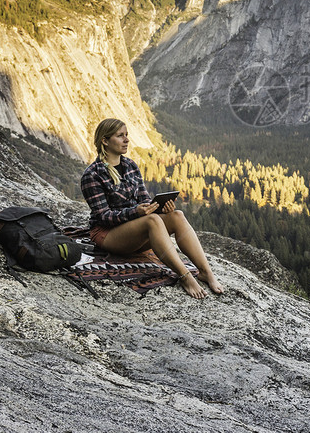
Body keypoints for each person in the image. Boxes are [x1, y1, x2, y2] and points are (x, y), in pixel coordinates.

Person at [80, 118, 223, 299]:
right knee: (152, 220)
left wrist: (160, 208)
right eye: (120, 136)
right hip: (107, 234)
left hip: (135, 230)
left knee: (176, 215)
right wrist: (137, 212)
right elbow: (103, 217)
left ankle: (205, 272)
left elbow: (144, 200)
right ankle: (185, 276)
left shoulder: (130, 166)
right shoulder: (92, 175)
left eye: (127, 135)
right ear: (105, 141)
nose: (127, 140)